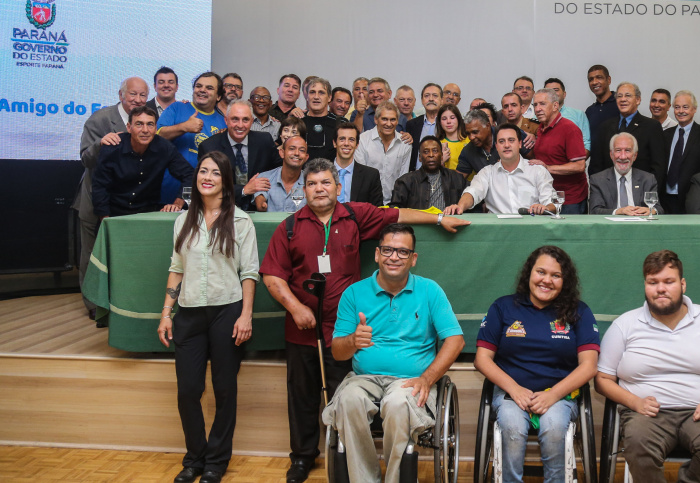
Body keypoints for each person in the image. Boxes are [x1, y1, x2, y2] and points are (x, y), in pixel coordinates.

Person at [259, 159, 468, 483]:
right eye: (312, 184)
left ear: (338, 187)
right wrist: (296, 307)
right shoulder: (289, 226)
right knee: (305, 396)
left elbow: (397, 215)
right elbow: (272, 273)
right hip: (309, 326)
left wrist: (439, 217)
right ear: (304, 189)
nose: (319, 189)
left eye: (325, 183)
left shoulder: (354, 215)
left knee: (364, 398)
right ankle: (303, 459)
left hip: (350, 330)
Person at [322, 224, 465, 483]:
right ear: (377, 254)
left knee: (398, 403)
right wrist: (353, 340)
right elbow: (338, 352)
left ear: (413, 258)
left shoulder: (430, 290)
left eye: (402, 251)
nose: (394, 257)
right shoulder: (354, 293)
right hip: (364, 379)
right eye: (388, 250)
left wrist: (427, 378)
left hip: (410, 381)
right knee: (348, 401)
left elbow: (455, 340)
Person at [595, 250, 700, 483]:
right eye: (652, 282)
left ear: (683, 284)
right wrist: (634, 402)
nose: (660, 289)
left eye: (669, 281)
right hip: (646, 415)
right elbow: (602, 379)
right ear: (645, 285)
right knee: (637, 445)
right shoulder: (624, 325)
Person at [157, 151, 258, 483]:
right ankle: (194, 457)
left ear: (225, 181)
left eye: (215, 172)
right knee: (188, 390)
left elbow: (249, 273)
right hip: (188, 313)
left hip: (227, 311)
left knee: (224, 389)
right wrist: (166, 314)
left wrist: (245, 316)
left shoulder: (241, 221)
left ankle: (216, 460)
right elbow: (176, 269)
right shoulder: (182, 220)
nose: (207, 177)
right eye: (203, 171)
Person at [474, 245, 600, 483]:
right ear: (529, 273)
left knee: (553, 427)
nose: (547, 280)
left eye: (556, 275)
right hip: (511, 393)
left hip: (560, 395)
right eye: (541, 272)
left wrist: (552, 395)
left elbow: (589, 366)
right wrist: (514, 389)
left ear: (565, 281)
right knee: (511, 426)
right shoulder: (503, 307)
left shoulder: (579, 311)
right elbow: (482, 359)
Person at [74, 76, 146, 317]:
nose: (137, 100)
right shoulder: (100, 119)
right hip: (96, 200)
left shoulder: (146, 120)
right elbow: (85, 158)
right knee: (92, 254)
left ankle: (120, 302)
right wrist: (99, 144)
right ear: (121, 95)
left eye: (142, 95)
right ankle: (93, 305)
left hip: (127, 203)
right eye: (133, 94)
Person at [92, 105, 194, 218]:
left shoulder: (164, 148)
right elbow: (100, 187)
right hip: (115, 214)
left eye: (150, 124)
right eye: (139, 124)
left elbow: (190, 175)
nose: (145, 130)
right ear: (129, 127)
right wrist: (106, 221)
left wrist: (178, 203)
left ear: (156, 128)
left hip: (149, 214)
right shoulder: (112, 148)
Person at [445, 124, 555, 215]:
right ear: (496, 146)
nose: (506, 145)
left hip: (532, 230)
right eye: (502, 141)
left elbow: (552, 203)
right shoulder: (487, 173)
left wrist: (544, 208)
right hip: (497, 233)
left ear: (520, 144)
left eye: (511, 140)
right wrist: (460, 207)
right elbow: (472, 193)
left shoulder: (537, 171)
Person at [197, 100, 282, 211]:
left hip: (260, 208)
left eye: (245, 120)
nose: (240, 125)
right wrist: (244, 190)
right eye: (235, 119)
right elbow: (206, 184)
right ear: (226, 120)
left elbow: (279, 171)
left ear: (252, 122)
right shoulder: (209, 146)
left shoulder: (264, 140)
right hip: (223, 209)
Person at [156, 71, 228, 203]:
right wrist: (184, 127)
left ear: (218, 96)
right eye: (199, 86)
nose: (202, 90)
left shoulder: (223, 122)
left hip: (206, 193)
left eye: (209, 88)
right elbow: (157, 137)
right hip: (169, 189)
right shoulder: (177, 108)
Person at [589, 82, 666, 189]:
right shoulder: (604, 127)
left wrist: (650, 194)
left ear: (638, 100)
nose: (623, 99)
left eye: (628, 96)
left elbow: (658, 166)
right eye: (619, 96)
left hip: (640, 192)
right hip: (609, 192)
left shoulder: (652, 127)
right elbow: (596, 165)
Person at [530, 88, 588, 214]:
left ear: (555, 105)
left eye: (542, 104)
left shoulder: (569, 128)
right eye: (535, 105)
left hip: (571, 200)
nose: (537, 109)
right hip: (548, 198)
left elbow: (579, 166)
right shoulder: (540, 128)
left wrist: (548, 168)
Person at [662, 90, 700, 214]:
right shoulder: (665, 135)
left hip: (693, 197)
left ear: (694, 109)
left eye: (685, 107)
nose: (681, 111)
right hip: (665, 199)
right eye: (677, 107)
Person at [589, 132, 663, 216]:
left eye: (627, 150)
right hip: (611, 227)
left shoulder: (648, 179)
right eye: (618, 150)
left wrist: (651, 210)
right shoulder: (598, 180)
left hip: (640, 226)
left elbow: (658, 209)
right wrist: (619, 211)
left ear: (635, 155)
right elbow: (594, 210)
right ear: (611, 155)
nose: (623, 157)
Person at [354, 102, 412, 204]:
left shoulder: (405, 144)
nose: (389, 124)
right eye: (384, 119)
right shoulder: (362, 140)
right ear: (376, 120)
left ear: (397, 121)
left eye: (393, 119)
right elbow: (361, 177)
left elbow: (403, 178)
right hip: (367, 203)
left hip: (394, 203)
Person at [390, 136, 468, 210]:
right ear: (420, 157)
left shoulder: (456, 178)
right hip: (417, 223)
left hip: (449, 222)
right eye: (426, 152)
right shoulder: (406, 181)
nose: (431, 155)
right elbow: (395, 210)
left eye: (435, 151)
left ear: (441, 156)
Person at [254, 136, 309, 212]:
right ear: (282, 153)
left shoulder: (311, 182)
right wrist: (261, 203)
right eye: (292, 149)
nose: (296, 153)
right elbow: (260, 200)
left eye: (302, 150)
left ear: (306, 157)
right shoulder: (264, 177)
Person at [334, 122, 384, 206]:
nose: (346, 143)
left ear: (357, 144)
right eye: (342, 139)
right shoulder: (322, 173)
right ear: (334, 143)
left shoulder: (371, 175)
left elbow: (377, 211)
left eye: (351, 140)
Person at [544, 77, 591, 154]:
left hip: (573, 162)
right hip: (544, 163)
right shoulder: (537, 116)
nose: (552, 94)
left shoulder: (579, 115)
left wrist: (576, 163)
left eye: (556, 90)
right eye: (548, 91)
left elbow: (586, 143)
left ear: (564, 94)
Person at [406, 83, 444, 170]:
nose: (431, 99)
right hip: (416, 176)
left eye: (435, 96)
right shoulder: (411, 124)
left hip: (441, 175)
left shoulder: (447, 123)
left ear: (442, 100)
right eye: (427, 96)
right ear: (422, 100)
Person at [301, 77, 340, 161]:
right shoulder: (297, 121)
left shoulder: (340, 123)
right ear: (307, 96)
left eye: (321, 93)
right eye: (312, 92)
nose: (316, 97)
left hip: (332, 172)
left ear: (329, 98)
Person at [584, 65, 621, 148]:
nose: (594, 82)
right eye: (591, 79)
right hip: (595, 160)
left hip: (619, 159)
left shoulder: (621, 104)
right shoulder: (590, 111)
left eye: (599, 77)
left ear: (608, 80)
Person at [456, 109, 499, 178]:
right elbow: (458, 181)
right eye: (468, 133)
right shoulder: (468, 151)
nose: (471, 137)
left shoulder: (508, 134)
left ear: (488, 126)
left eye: (475, 132)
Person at [436, 104, 469, 170]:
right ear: (439, 122)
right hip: (448, 179)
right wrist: (441, 161)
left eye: (452, 118)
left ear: (459, 119)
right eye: (444, 119)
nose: (448, 122)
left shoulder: (470, 140)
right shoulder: (437, 144)